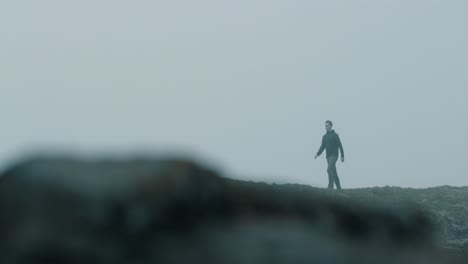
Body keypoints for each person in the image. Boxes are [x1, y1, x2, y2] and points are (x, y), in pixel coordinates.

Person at [315, 120, 345, 189]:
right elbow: (322, 147)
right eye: (325, 126)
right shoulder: (324, 137)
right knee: (333, 171)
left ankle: (330, 185)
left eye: (327, 125)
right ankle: (339, 187)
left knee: (329, 169)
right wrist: (317, 154)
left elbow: (340, 146)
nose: (326, 127)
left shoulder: (335, 135)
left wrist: (342, 156)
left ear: (331, 126)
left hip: (334, 155)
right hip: (328, 156)